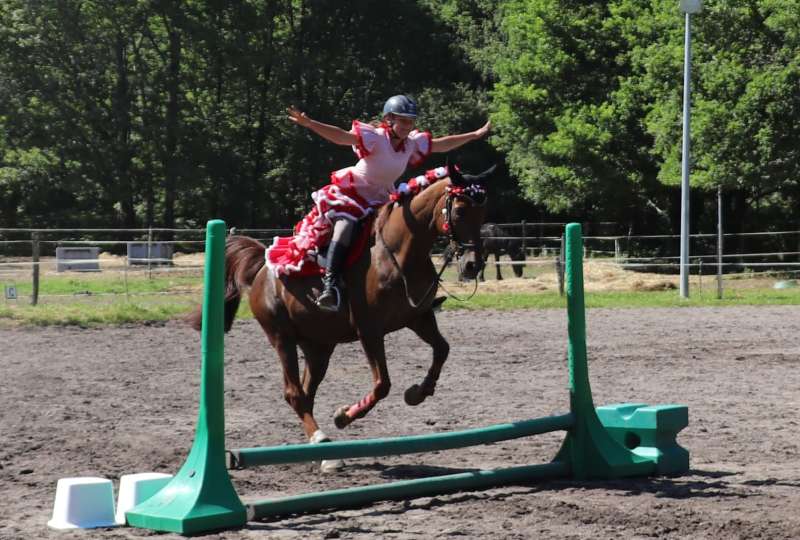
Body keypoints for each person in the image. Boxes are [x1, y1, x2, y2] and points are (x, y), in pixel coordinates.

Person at [283, 94, 490, 312]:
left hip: (382, 197)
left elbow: (443, 144)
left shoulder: (411, 143)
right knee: (344, 228)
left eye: (410, 121)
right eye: (403, 121)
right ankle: (330, 286)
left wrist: (475, 135)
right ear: (389, 119)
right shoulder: (375, 137)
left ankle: (420, 294)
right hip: (352, 193)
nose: (407, 126)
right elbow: (341, 137)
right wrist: (310, 124)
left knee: (408, 232)